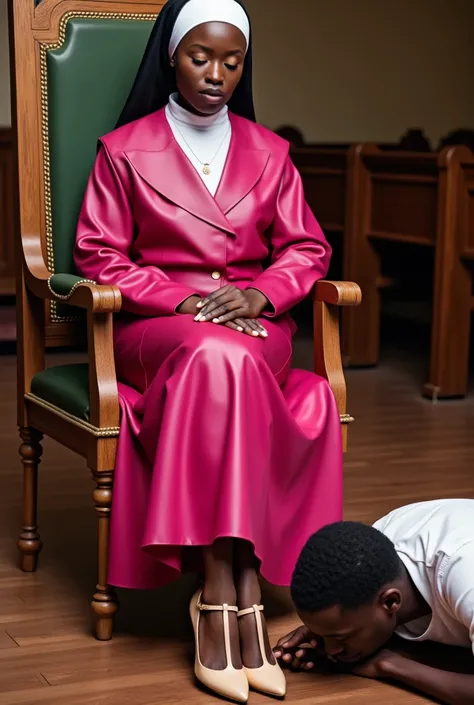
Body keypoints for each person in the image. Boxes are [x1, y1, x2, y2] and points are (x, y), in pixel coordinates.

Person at [74, 0, 343, 702]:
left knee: (226, 354)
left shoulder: (271, 152)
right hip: (156, 323)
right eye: (201, 57)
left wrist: (261, 295)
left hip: (255, 323)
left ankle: (224, 585)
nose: (216, 73)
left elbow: (308, 247)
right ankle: (231, 583)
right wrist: (184, 301)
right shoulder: (123, 149)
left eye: (232, 61)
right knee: (212, 354)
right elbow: (99, 254)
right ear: (171, 55)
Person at [274, 499, 474, 705]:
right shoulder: (371, 555)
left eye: (341, 637)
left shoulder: (465, 575)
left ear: (390, 602)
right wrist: (326, 628)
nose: (331, 650)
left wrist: (389, 665)